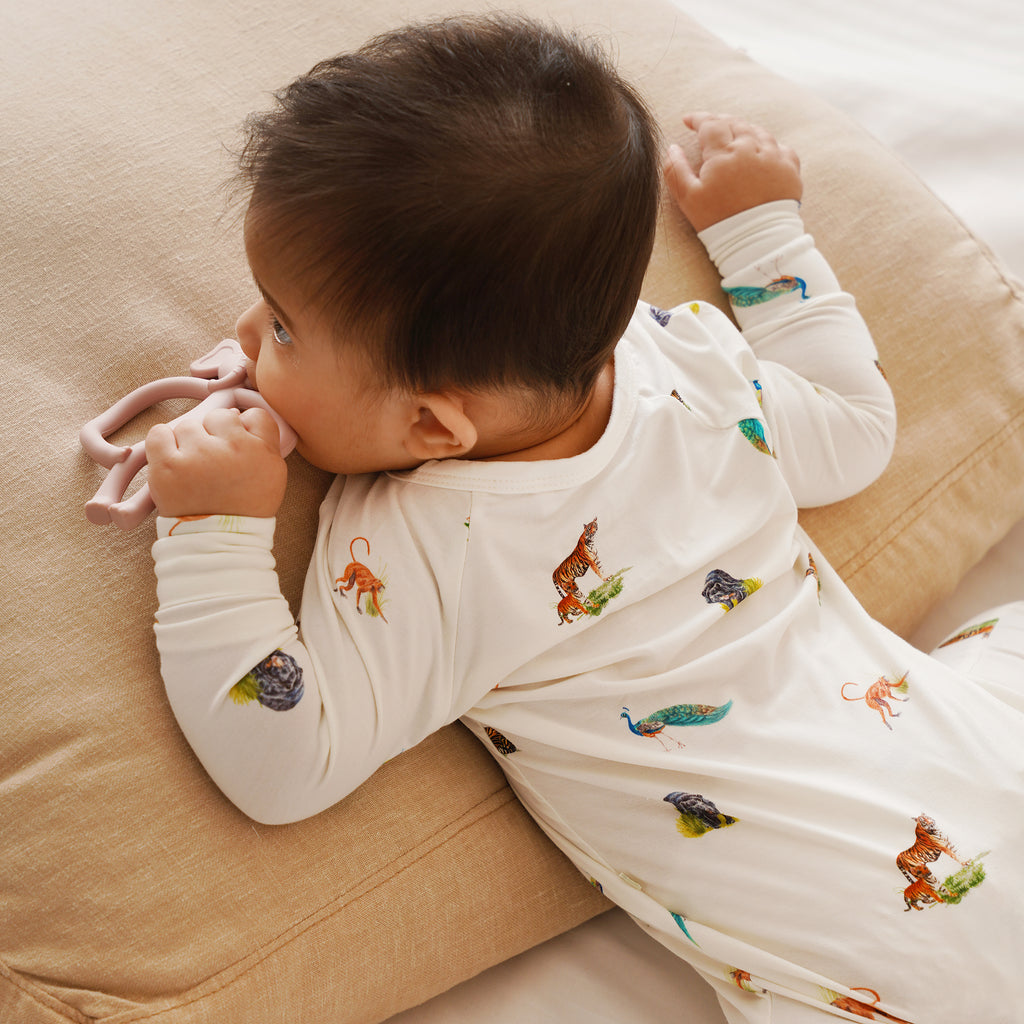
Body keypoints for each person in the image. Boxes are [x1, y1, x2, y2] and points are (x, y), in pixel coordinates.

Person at [145, 14, 1024, 1023]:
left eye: (283, 325)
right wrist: (762, 231)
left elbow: (283, 766)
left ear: (433, 426)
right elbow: (855, 430)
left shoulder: (425, 547)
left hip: (874, 973)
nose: (246, 332)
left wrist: (212, 532)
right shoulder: (682, 363)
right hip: (973, 754)